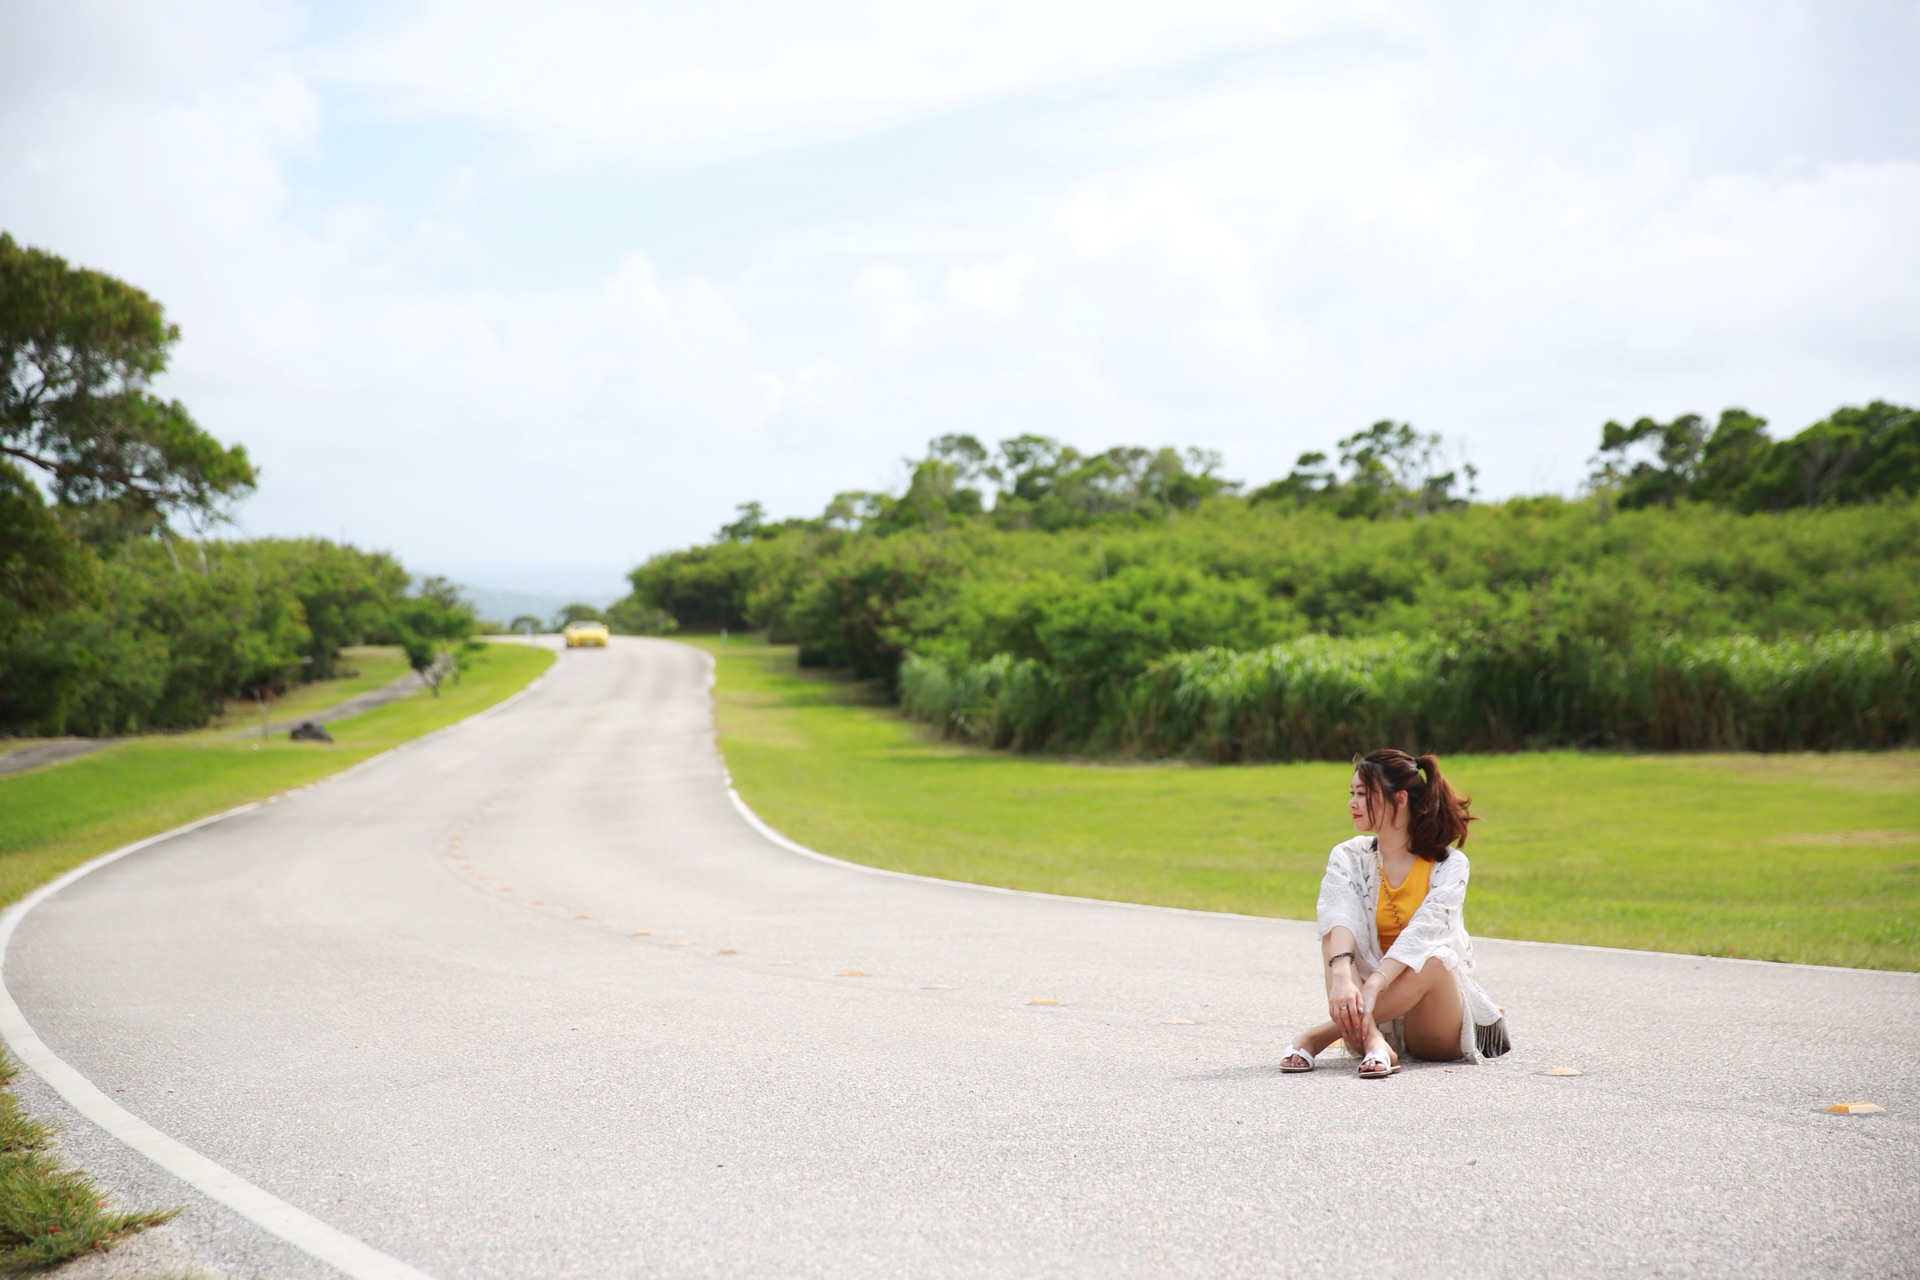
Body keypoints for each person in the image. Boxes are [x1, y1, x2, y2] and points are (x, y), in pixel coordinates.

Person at [1280, 748, 1511, 1079]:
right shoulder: (1349, 855)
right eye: (1352, 794)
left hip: (1433, 1025)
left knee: (1436, 957)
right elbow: (1339, 910)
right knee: (1333, 939)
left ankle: (1317, 1036)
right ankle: (1375, 1041)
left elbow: (1426, 932)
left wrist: (1374, 985)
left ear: (1400, 799)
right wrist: (1344, 977)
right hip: (1373, 1015)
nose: (1352, 803)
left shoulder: (1449, 865)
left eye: (1363, 794)